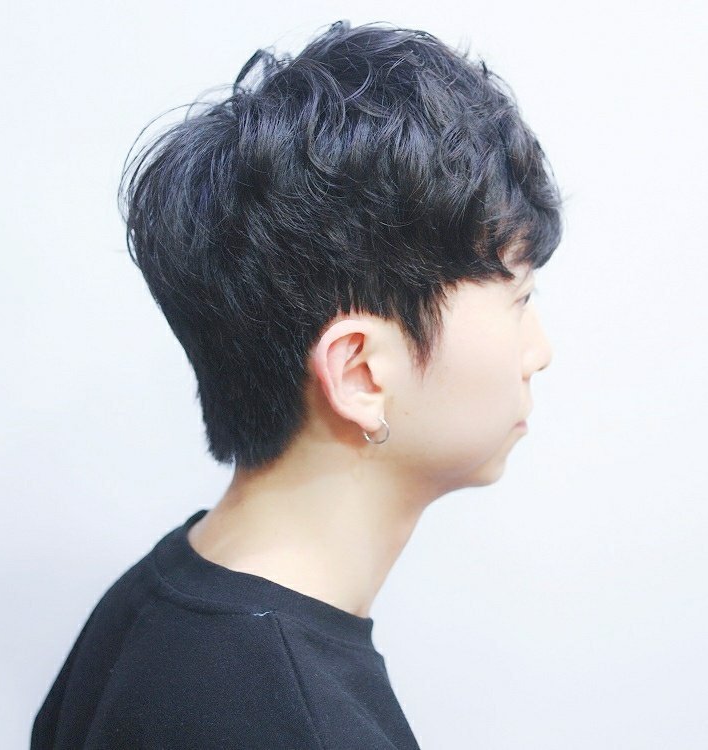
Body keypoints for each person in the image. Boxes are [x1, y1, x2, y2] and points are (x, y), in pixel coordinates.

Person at [31, 19, 562, 749]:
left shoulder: (147, 610)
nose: (540, 353)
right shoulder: (293, 724)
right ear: (360, 372)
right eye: (520, 299)